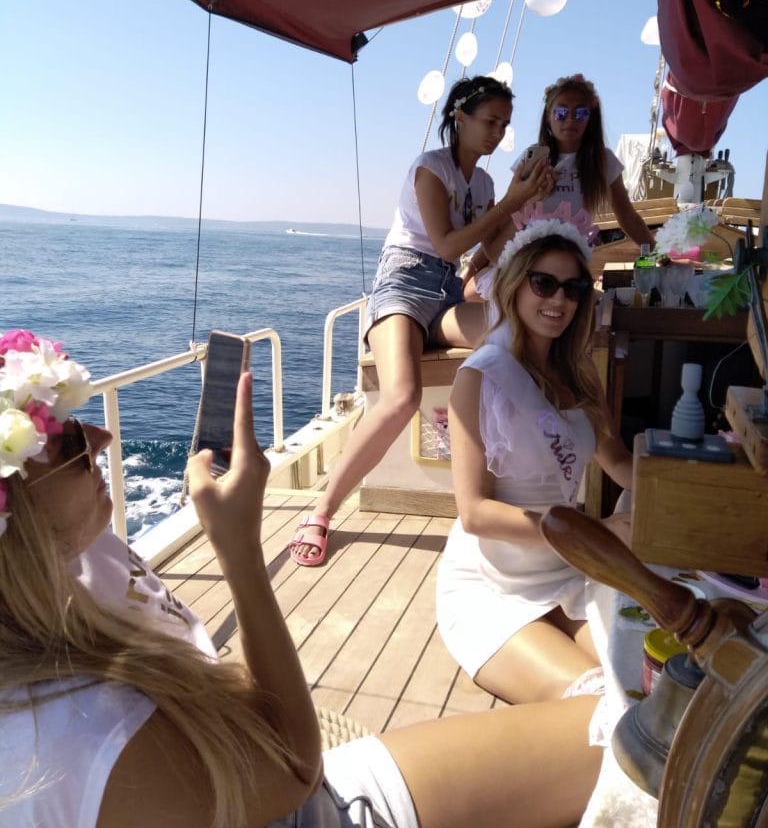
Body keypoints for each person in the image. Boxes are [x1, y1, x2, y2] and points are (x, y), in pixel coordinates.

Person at [0, 328, 605, 828]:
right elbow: (294, 771)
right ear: (16, 517)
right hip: (309, 802)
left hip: (267, 770)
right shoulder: (81, 734)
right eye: (69, 441)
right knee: (613, 739)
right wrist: (239, 549)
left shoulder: (78, 558)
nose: (103, 436)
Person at [289, 74, 555, 566]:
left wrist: (524, 208)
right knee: (401, 397)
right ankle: (321, 513)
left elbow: (490, 247)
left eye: (504, 125)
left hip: (446, 293)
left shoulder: (485, 184)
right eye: (489, 121)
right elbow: (446, 244)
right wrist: (511, 203)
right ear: (460, 116)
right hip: (404, 286)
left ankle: (507, 488)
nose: (497, 133)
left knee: (519, 336)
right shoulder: (429, 169)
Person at [436, 217, 634, 706]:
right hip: (492, 583)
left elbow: (618, 462)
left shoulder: (580, 372)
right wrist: (600, 531)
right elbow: (474, 513)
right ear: (514, 284)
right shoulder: (480, 378)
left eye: (573, 288)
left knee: (637, 684)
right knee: (594, 703)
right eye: (543, 283)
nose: (559, 300)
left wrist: (692, 490)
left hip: (568, 567)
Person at [467, 75, 654, 291]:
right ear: (548, 117)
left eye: (581, 113)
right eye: (561, 113)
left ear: (590, 118)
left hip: (569, 260)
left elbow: (628, 217)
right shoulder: (531, 159)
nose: (570, 120)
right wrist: (471, 269)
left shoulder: (603, 161)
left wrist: (658, 255)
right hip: (525, 255)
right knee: (472, 291)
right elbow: (506, 214)